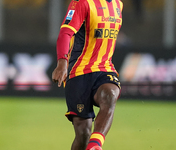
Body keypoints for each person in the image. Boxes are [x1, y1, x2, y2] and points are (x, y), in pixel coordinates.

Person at [52, 0, 123, 150]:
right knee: (83, 133)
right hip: (79, 72)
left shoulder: (118, 5)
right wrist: (62, 63)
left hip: (105, 68)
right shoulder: (82, 2)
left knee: (110, 95)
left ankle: (95, 145)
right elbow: (66, 33)